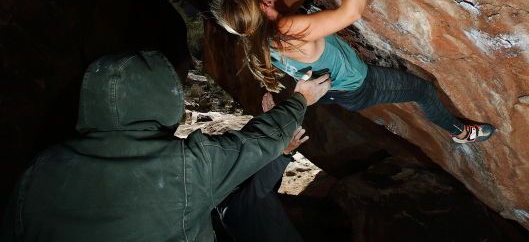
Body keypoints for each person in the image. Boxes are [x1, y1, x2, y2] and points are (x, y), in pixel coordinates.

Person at [204, 0, 495, 144]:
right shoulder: (288, 30)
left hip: (332, 90)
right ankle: (460, 133)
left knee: (305, 3)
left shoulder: (260, 32)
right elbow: (350, 12)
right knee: (423, 92)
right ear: (262, 4)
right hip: (361, 86)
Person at [1, 50, 331, 242]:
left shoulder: (41, 168)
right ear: (164, 102)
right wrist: (300, 99)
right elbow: (256, 142)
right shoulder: (184, 166)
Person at [215, 91, 307, 242]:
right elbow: (261, 184)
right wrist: (284, 152)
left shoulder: (227, 199)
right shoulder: (234, 209)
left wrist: (272, 118)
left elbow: (262, 178)